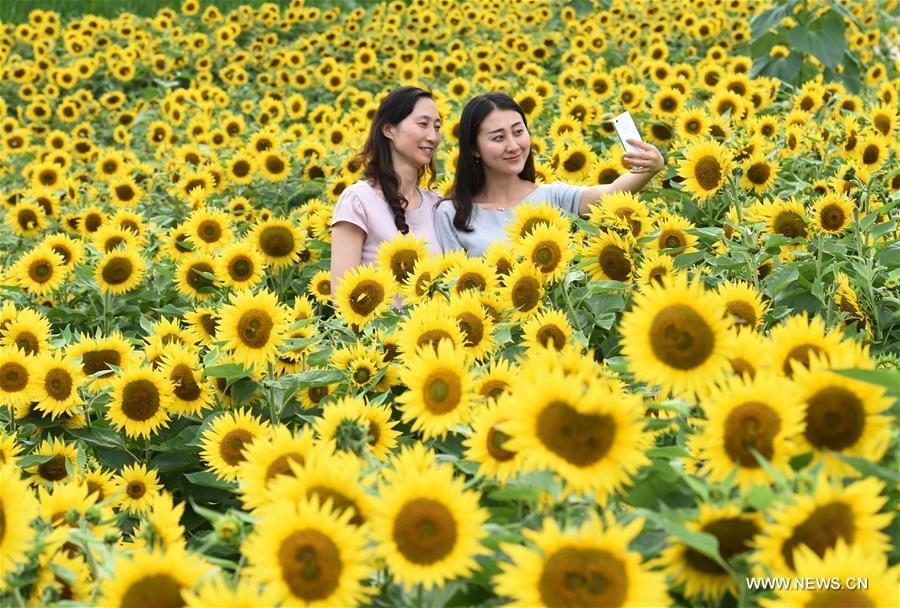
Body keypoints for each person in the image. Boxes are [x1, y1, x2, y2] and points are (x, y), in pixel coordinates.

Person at [435, 93, 664, 257]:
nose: (513, 145)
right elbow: (453, 284)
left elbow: (611, 193)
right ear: (474, 148)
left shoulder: (552, 197)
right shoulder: (453, 214)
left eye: (518, 132)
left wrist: (651, 166)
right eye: (498, 137)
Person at [330, 86, 443, 290]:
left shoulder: (437, 206)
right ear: (389, 129)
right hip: (380, 322)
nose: (433, 137)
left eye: (436, 127)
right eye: (423, 124)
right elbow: (342, 297)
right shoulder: (358, 201)